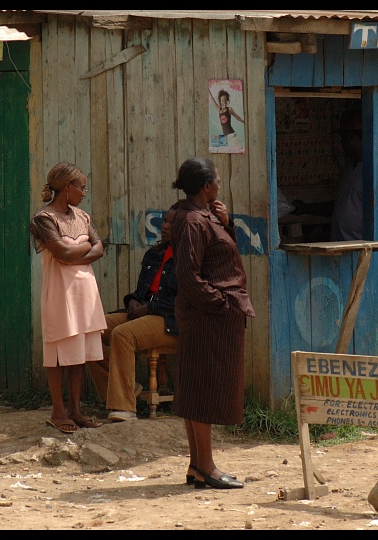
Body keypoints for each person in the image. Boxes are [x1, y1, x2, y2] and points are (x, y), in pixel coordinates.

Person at [170, 156, 255, 489]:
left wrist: (227, 222)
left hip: (208, 315)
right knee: (203, 390)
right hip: (208, 317)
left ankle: (196, 465)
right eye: (217, 180)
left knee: (197, 388)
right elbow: (188, 275)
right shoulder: (192, 220)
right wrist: (219, 305)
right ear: (206, 186)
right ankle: (207, 466)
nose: (220, 185)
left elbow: (218, 255)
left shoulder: (203, 216)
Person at [291, 109, 378, 356]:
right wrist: (306, 209)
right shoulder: (354, 168)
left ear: (357, 137)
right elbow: (342, 207)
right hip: (346, 256)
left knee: (372, 318)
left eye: (345, 138)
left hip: (371, 261)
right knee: (348, 317)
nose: (342, 144)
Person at [28, 162, 107, 434]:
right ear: (67, 188)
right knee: (58, 353)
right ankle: (57, 412)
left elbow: (99, 249)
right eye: (81, 187)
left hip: (85, 294)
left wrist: (77, 251)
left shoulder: (82, 216)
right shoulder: (43, 219)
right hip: (60, 294)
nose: (84, 193)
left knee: (79, 354)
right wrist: (84, 247)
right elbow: (63, 253)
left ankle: (75, 410)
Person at [86, 202, 180, 422]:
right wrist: (133, 303)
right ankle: (126, 389)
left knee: (123, 334)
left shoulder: (190, 258)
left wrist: (149, 308)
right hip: (145, 313)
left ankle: (124, 407)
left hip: (170, 320)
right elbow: (141, 291)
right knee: (89, 330)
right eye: (165, 220)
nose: (164, 226)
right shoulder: (155, 254)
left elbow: (184, 302)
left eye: (171, 223)